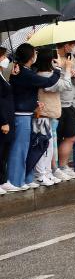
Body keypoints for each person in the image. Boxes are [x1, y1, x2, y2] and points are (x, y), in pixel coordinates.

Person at [5, 44, 61, 191]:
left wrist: (34, 103)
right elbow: (47, 82)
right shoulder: (23, 72)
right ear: (30, 57)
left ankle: (23, 178)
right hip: (21, 115)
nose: (36, 55)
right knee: (20, 149)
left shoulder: (22, 70)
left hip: (26, 113)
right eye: (34, 52)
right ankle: (16, 181)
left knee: (25, 148)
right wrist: (58, 70)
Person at [34, 48, 73, 185]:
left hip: (50, 114)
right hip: (43, 114)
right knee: (43, 146)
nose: (59, 60)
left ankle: (48, 172)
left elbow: (61, 83)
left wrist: (64, 71)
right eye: (56, 58)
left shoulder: (50, 74)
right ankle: (41, 174)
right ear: (51, 60)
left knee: (49, 146)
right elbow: (64, 85)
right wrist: (66, 69)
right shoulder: (43, 75)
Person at [55, 41, 75, 180]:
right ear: (65, 46)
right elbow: (55, 83)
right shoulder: (54, 59)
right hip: (57, 103)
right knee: (56, 138)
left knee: (71, 136)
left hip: (70, 104)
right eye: (72, 44)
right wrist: (64, 69)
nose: (74, 48)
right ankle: (55, 168)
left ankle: (63, 166)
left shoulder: (72, 59)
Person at [0, 48, 14, 193]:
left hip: (8, 118)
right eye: (3, 56)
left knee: (4, 152)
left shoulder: (2, 74)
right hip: (3, 120)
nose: (5, 59)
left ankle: (3, 180)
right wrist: (3, 121)